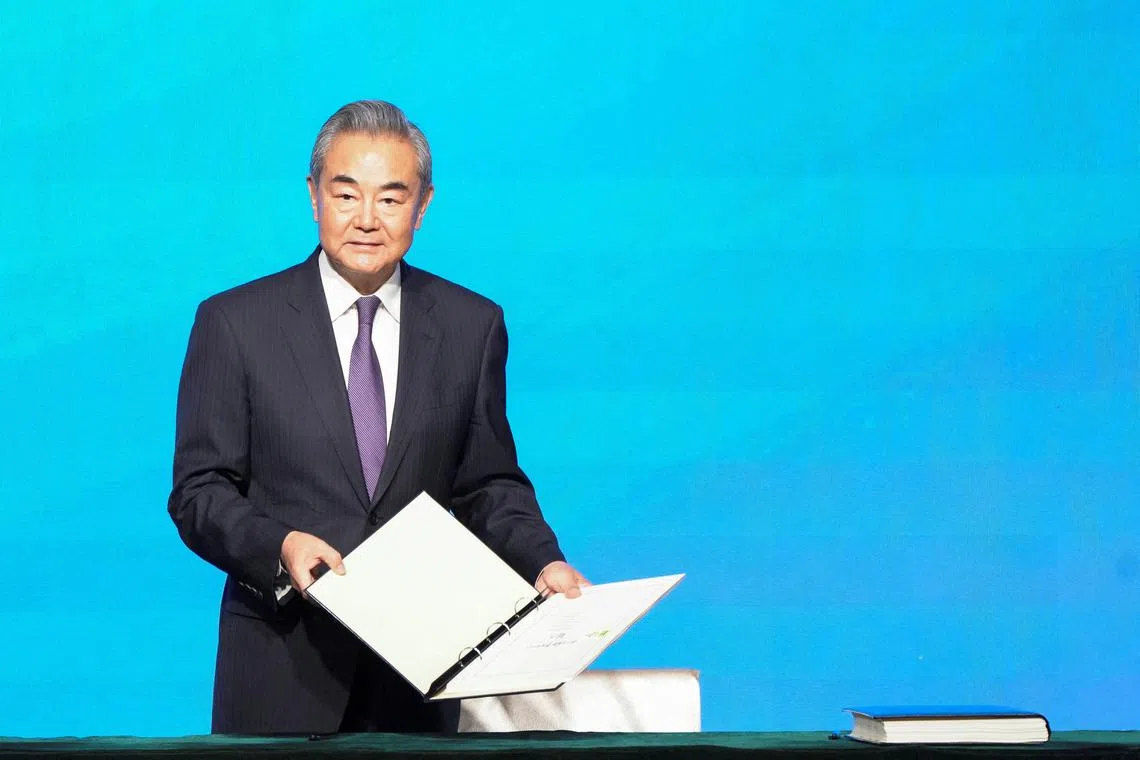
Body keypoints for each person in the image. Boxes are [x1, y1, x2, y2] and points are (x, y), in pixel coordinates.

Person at [168, 100, 587, 735]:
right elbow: (199, 492)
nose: (367, 219)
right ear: (313, 196)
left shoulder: (471, 326)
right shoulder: (234, 324)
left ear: (423, 206)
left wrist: (543, 562)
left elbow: (488, 485)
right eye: (346, 195)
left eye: (391, 199)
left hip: (419, 673)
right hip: (282, 668)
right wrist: (278, 547)